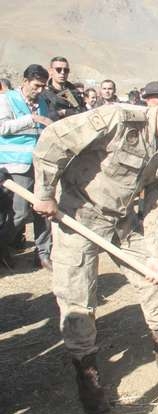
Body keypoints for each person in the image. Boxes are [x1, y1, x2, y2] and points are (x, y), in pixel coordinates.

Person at [30, 80, 158, 414]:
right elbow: (54, 139)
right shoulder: (118, 120)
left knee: (153, 277)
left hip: (120, 222)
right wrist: (45, 192)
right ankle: (87, 374)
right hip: (78, 214)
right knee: (77, 298)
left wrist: (156, 254)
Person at [0, 64, 53, 270]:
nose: (39, 90)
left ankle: (43, 254)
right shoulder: (6, 99)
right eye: (36, 86)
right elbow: (2, 127)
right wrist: (31, 119)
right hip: (16, 164)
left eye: (42, 86)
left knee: (44, 210)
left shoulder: (41, 102)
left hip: (39, 163)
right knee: (20, 213)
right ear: (25, 81)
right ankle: (2, 247)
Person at [42, 57, 86, 121]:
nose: (62, 73)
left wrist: (65, 112)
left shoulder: (72, 92)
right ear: (50, 71)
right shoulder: (44, 93)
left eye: (66, 70)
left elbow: (82, 111)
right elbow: (44, 116)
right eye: (58, 70)